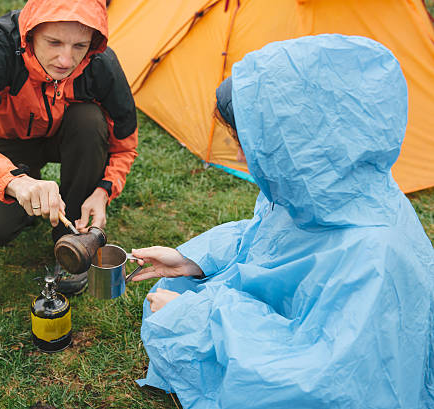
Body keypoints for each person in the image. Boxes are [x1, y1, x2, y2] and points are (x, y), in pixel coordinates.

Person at [129, 34, 434, 408]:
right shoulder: (327, 183)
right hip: (305, 326)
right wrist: (193, 260)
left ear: (294, 136)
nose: (243, 153)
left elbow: (320, 380)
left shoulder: (374, 258)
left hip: (340, 375)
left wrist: (197, 322)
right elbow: (268, 238)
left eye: (247, 140)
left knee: (177, 312)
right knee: (175, 295)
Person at [0, 0, 138, 295]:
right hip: (6, 143)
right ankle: (32, 200)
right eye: (53, 42)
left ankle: (71, 234)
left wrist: (104, 190)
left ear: (93, 43)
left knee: (90, 121)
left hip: (66, 134)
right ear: (30, 34)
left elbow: (125, 145)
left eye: (79, 46)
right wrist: (12, 181)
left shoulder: (100, 63)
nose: (66, 60)